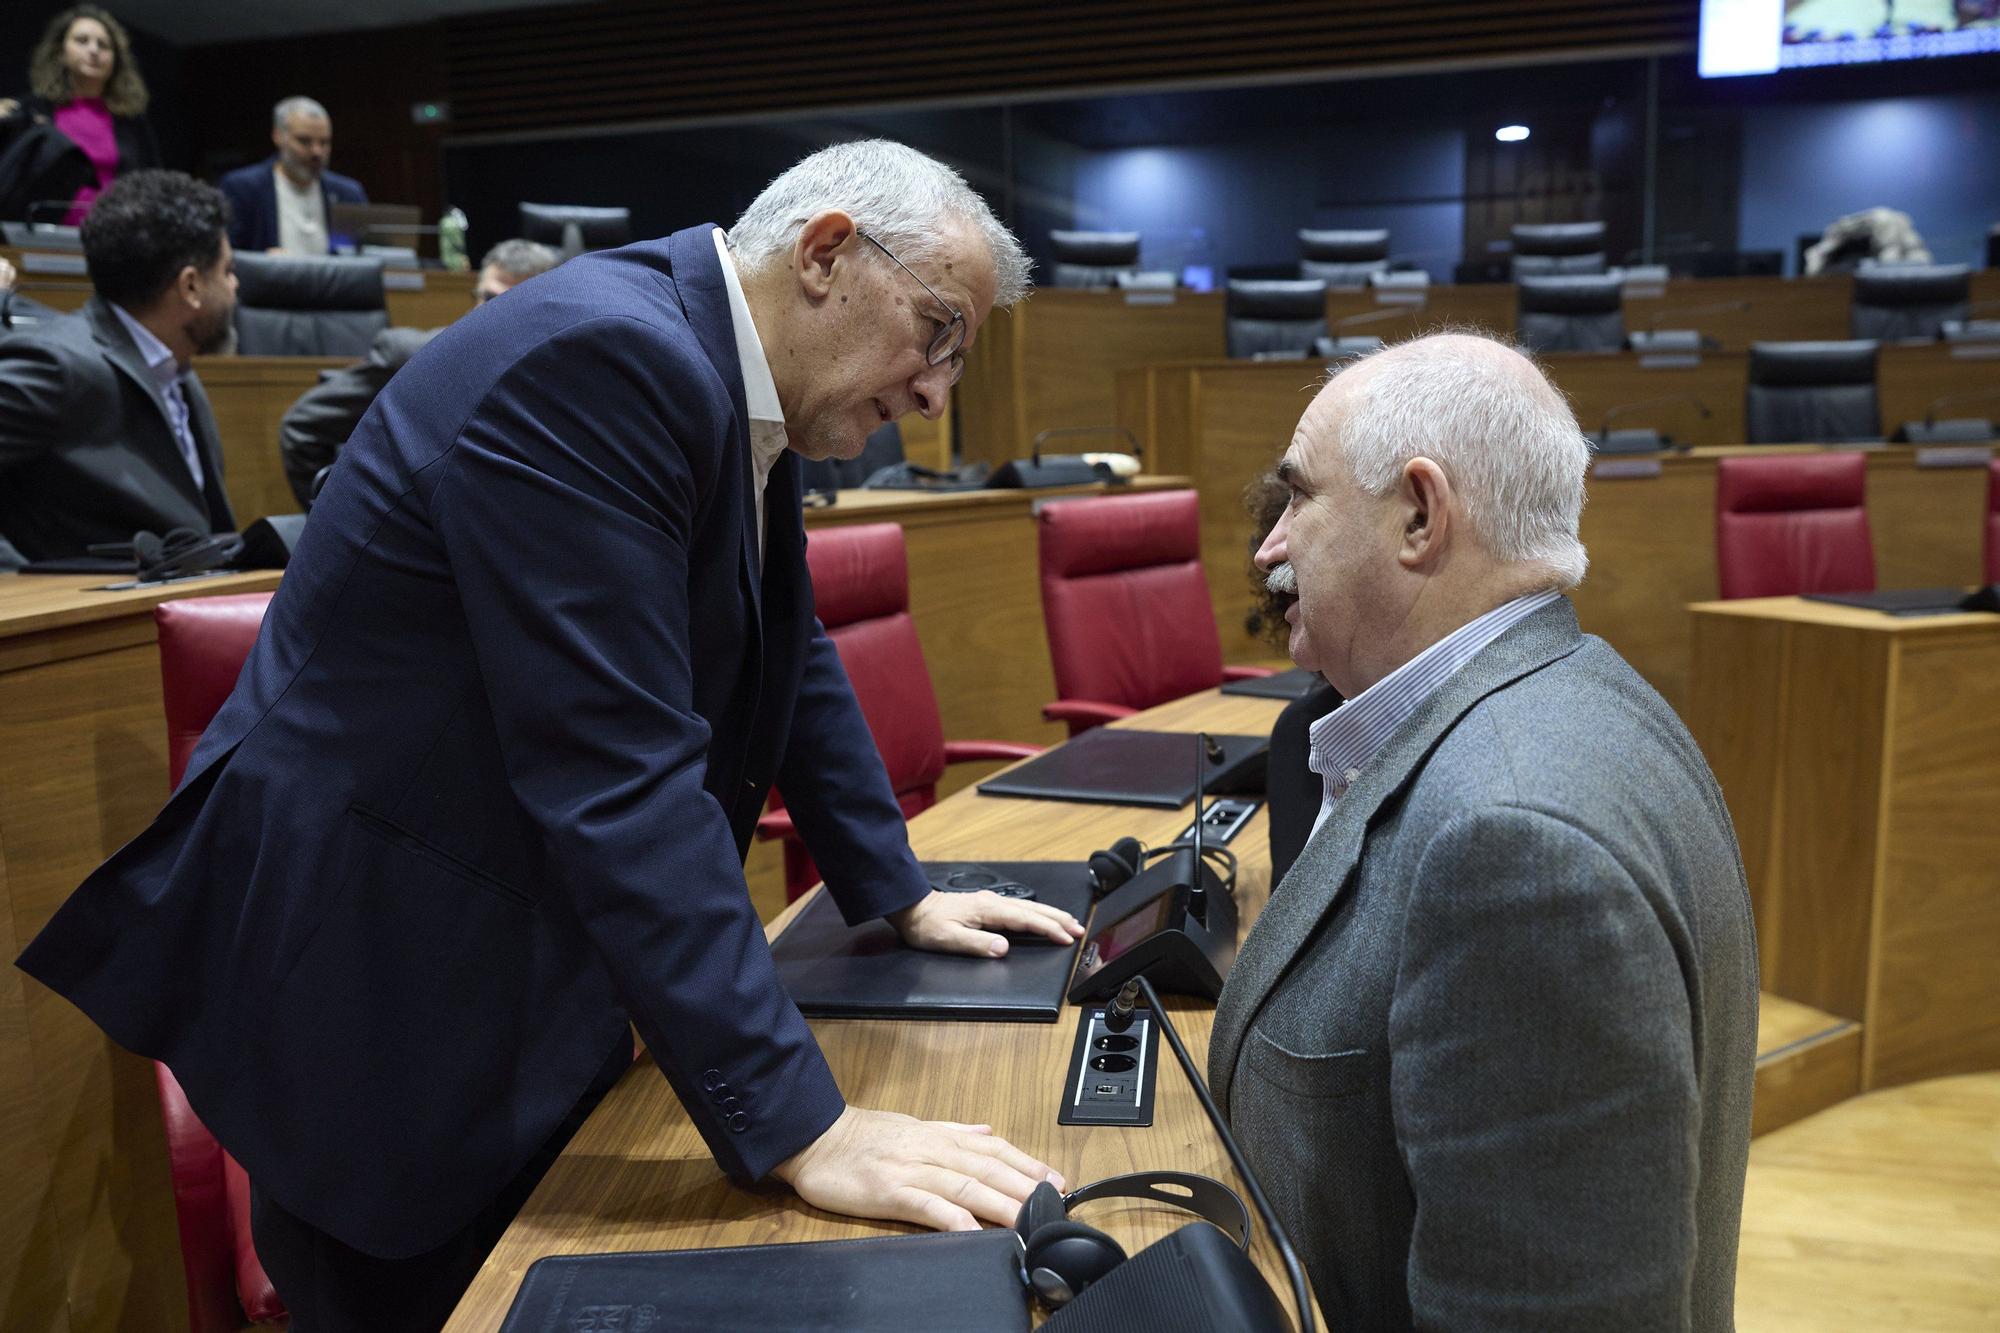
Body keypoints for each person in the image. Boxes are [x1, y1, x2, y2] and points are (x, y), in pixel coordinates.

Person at [18, 139, 1077, 1331]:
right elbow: (617, 776)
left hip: (502, 948)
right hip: (377, 981)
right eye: (937, 331)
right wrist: (806, 1128)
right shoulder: (605, 360)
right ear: (826, 253)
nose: (937, 394)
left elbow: (785, 642)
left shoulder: (728, 368)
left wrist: (894, 890)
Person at [1208, 331, 1757, 1330]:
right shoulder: (1591, 690)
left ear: (1420, 515)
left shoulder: (1515, 848)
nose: (1268, 547)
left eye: (1299, 497)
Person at [0, 169, 235, 563]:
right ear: (190, 286)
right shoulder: (58, 365)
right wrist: (20, 579)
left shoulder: (176, 370)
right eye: (227, 271)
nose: (234, 286)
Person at [277, 238, 563, 505]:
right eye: (488, 299)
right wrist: (336, 523)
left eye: (511, 304)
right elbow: (301, 429)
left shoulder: (559, 378)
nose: (494, 314)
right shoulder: (410, 358)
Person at [0, 5, 161, 225]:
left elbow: (154, 184)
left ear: (115, 60)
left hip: (114, 235)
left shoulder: (131, 120)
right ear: (61, 52)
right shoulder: (31, 109)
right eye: (82, 41)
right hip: (38, 234)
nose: (94, 50)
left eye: (103, 45)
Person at [218, 96, 366, 255]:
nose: (316, 152)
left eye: (324, 142)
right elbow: (225, 257)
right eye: (304, 141)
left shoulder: (348, 194)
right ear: (278, 136)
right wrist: (262, 262)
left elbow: (367, 256)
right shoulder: (243, 189)